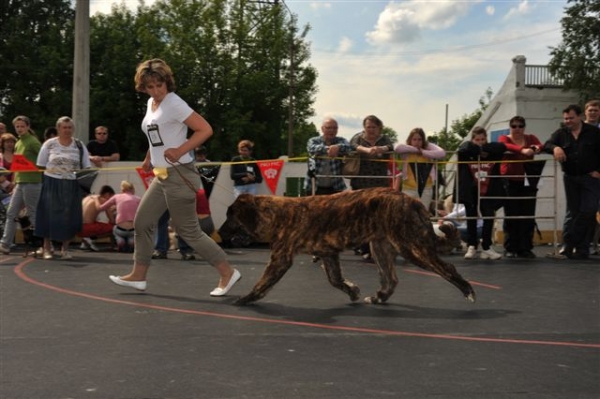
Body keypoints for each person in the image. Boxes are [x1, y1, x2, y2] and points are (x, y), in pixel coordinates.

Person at [108, 58, 240, 296]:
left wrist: (180, 150)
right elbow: (157, 135)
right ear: (143, 87)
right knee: (143, 222)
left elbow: (205, 129)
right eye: (150, 86)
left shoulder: (174, 103)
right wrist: (149, 158)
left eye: (159, 85)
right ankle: (139, 276)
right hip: (162, 176)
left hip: (180, 174)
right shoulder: (151, 104)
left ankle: (227, 271)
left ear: (167, 82)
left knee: (188, 231)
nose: (156, 90)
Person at [543, 104, 600, 260]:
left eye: (571, 118)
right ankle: (581, 250)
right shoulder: (561, 133)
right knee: (574, 213)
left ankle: (569, 243)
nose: (568, 121)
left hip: (590, 178)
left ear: (580, 117)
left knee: (589, 209)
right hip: (570, 178)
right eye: (566, 118)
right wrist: (555, 148)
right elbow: (546, 144)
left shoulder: (594, 133)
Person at [35, 116, 91, 260]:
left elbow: (86, 166)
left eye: (69, 127)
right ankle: (47, 248)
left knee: (70, 216)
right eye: (64, 127)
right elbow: (41, 163)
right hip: (52, 182)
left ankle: (65, 250)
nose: (67, 130)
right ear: (58, 129)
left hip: (71, 183)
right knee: (48, 215)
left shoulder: (79, 145)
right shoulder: (49, 144)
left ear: (73, 129)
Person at [454, 126, 507, 260]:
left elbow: (501, 147)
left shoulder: (491, 150)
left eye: (483, 139)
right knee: (471, 217)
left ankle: (486, 247)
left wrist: (483, 149)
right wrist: (477, 150)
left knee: (489, 216)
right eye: (477, 140)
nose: (480, 142)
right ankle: (472, 245)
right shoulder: (466, 150)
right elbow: (463, 148)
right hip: (470, 189)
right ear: (472, 139)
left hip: (488, 188)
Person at [349, 115, 394, 261]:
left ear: (379, 128)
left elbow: (392, 147)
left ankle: (379, 247)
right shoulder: (358, 137)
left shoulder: (384, 139)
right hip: (361, 181)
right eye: (368, 127)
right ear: (364, 127)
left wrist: (381, 148)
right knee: (361, 216)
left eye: (374, 127)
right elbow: (353, 145)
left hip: (380, 182)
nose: (371, 130)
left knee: (378, 216)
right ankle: (364, 248)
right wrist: (367, 150)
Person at [499, 116, 543, 259]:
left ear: (524, 127)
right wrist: (523, 150)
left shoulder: (531, 138)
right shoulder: (504, 138)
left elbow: (540, 145)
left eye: (520, 125)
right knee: (511, 214)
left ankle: (525, 247)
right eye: (514, 126)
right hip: (510, 180)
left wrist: (535, 148)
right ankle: (510, 247)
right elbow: (504, 146)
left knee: (528, 215)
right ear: (510, 127)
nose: (517, 128)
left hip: (528, 179)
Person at [0, 116, 42, 255]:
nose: (19, 129)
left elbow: (43, 158)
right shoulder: (18, 143)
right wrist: (14, 182)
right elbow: (18, 165)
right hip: (20, 183)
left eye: (22, 126)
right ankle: (5, 244)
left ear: (28, 126)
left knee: (32, 213)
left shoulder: (33, 141)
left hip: (32, 182)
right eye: (17, 126)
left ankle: (42, 245)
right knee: (11, 213)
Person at [394, 127, 445, 207]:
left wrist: (424, 151)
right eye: (414, 139)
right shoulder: (406, 152)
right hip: (408, 188)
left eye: (420, 139)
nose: (417, 142)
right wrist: (416, 150)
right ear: (410, 140)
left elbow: (442, 153)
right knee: (407, 214)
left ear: (423, 140)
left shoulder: (428, 151)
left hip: (426, 189)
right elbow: (397, 148)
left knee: (423, 212)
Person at [305, 118, 352, 195]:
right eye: (328, 128)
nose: (332, 130)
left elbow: (349, 148)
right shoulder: (313, 140)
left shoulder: (341, 140)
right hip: (313, 186)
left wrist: (338, 147)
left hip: (336, 187)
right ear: (322, 129)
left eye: (334, 128)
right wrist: (329, 149)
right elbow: (311, 148)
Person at [98, 180, 141, 253]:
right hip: (133, 230)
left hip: (120, 229)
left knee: (114, 228)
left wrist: (97, 199)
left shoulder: (116, 197)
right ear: (132, 189)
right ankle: (132, 241)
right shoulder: (138, 199)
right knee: (132, 235)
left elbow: (101, 208)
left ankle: (120, 240)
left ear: (122, 189)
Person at [178, 188, 215, 260]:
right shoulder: (201, 191)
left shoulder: (184, 193)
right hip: (208, 223)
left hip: (197, 224)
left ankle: (186, 251)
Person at [79, 185, 116, 252]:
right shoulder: (103, 200)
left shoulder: (89, 197)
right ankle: (89, 239)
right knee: (113, 228)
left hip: (77, 227)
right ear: (107, 194)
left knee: (97, 223)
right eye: (111, 197)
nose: (111, 200)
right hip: (87, 228)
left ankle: (85, 241)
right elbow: (111, 220)